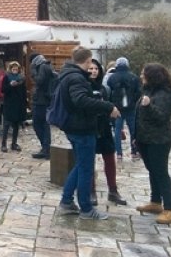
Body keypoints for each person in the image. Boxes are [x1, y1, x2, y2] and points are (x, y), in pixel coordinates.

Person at [57, 47, 120, 220]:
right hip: (82, 129)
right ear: (88, 61)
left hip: (75, 127)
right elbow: (81, 100)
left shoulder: (68, 74)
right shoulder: (76, 78)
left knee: (80, 166)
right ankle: (86, 209)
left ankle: (66, 201)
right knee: (86, 169)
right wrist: (108, 107)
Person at [135, 63, 171, 224]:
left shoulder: (166, 94)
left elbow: (161, 116)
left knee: (160, 172)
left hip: (159, 140)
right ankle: (155, 202)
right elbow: (139, 116)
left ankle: (169, 209)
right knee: (152, 170)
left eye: (143, 74)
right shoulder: (148, 90)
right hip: (145, 139)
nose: (141, 76)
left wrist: (148, 106)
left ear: (152, 76)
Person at [88, 59, 127, 206]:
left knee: (110, 158)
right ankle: (91, 191)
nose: (93, 71)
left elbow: (110, 105)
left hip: (104, 127)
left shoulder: (104, 88)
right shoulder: (83, 86)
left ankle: (113, 190)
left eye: (96, 69)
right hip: (90, 127)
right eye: (90, 68)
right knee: (89, 160)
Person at [107, 57, 142, 159]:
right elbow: (139, 92)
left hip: (117, 108)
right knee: (133, 130)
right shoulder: (133, 77)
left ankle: (118, 153)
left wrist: (111, 104)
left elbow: (109, 92)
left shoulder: (112, 77)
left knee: (117, 130)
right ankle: (134, 151)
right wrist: (134, 101)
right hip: (131, 108)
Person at [30, 53, 56, 159]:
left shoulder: (42, 66)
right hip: (45, 99)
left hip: (42, 100)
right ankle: (45, 148)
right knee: (43, 124)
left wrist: (33, 71)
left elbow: (39, 80)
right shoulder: (46, 65)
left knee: (38, 124)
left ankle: (46, 149)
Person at [0, 62, 26, 153]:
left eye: (16, 69)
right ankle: (3, 144)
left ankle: (14, 143)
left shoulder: (22, 79)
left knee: (16, 125)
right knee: (6, 125)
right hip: (9, 104)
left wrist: (24, 105)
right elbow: (3, 89)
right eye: (13, 69)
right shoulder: (6, 77)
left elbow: (23, 93)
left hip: (18, 104)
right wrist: (10, 85)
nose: (15, 71)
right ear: (10, 69)